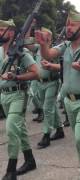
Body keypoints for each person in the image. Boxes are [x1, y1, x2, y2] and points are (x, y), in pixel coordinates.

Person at [35, 11, 80, 179]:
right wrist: (42, 45)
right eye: (67, 24)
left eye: (72, 25)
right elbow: (48, 54)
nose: (68, 28)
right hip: (69, 102)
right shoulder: (66, 46)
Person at [0, 19, 39, 180]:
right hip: (4, 95)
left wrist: (17, 76)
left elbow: (36, 73)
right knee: (20, 129)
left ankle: (11, 170)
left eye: (1, 29)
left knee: (11, 129)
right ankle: (30, 160)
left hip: (18, 94)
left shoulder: (21, 52)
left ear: (10, 32)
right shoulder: (0, 51)